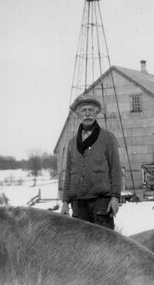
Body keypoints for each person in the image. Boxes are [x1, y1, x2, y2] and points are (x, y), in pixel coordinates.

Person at [60, 94, 122, 230]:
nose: (87, 113)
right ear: (78, 115)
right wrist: (65, 202)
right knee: (81, 245)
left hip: (101, 203)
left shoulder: (108, 138)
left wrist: (115, 197)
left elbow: (116, 170)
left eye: (91, 110)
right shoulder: (71, 143)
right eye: (84, 110)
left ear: (96, 113)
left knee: (104, 244)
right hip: (78, 205)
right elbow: (69, 174)